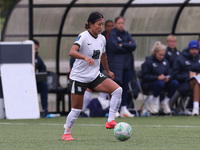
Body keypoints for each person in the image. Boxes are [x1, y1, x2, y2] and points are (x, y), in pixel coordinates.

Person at [62, 12, 122, 141]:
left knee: (118, 90)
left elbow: (103, 55)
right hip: (79, 77)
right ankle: (66, 133)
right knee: (76, 110)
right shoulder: (83, 36)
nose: (101, 27)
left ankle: (110, 120)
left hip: (94, 76)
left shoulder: (102, 38)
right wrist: (84, 57)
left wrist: (108, 71)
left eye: (102, 25)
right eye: (98, 24)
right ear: (90, 24)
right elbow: (72, 52)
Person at [106, 16, 136, 117]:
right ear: (116, 24)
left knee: (125, 87)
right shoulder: (113, 34)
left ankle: (124, 108)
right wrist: (127, 46)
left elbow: (134, 46)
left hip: (127, 64)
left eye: (122, 23)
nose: (121, 25)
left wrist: (122, 45)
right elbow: (115, 47)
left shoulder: (126, 34)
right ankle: (114, 110)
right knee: (116, 88)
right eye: (119, 23)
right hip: (116, 66)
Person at [141, 41, 179, 114]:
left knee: (175, 83)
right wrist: (157, 77)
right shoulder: (148, 61)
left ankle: (164, 102)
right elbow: (145, 76)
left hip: (162, 83)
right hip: (149, 84)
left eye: (163, 55)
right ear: (155, 53)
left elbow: (170, 73)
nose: (162, 57)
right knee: (160, 83)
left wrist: (168, 78)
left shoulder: (165, 62)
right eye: (160, 55)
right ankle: (152, 102)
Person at [172, 40, 200, 116]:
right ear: (189, 49)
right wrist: (188, 75)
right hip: (184, 83)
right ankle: (195, 109)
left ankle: (195, 109)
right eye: (192, 49)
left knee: (197, 81)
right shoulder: (180, 58)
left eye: (196, 49)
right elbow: (175, 75)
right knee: (196, 81)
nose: (194, 51)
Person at [32, 39, 48, 117]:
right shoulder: (23, 56)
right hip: (24, 83)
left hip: (35, 81)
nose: (35, 51)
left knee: (43, 85)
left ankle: (45, 109)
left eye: (36, 49)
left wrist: (39, 74)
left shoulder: (37, 57)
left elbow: (43, 68)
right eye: (33, 49)